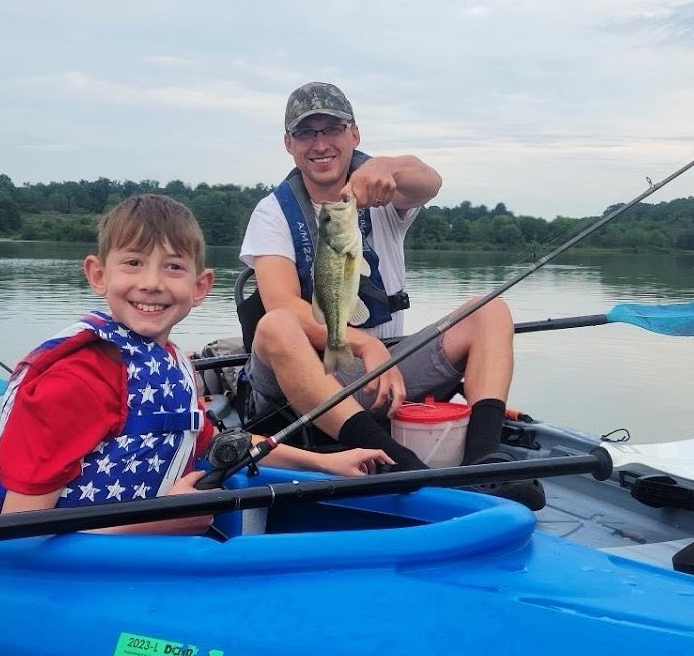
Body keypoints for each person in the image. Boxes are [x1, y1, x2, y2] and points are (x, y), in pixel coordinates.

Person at [0, 194, 393, 535]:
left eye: (173, 267)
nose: (152, 282)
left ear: (200, 286)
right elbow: (20, 532)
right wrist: (155, 522)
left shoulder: (169, 362)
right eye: (133, 263)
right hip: (85, 581)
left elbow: (212, 443)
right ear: (98, 275)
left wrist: (325, 463)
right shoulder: (75, 382)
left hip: (156, 553)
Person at [238, 81, 545, 510]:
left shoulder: (384, 191)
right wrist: (363, 343)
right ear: (289, 143)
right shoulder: (273, 213)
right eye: (307, 133)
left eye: (333, 129)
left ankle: (484, 462)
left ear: (355, 134)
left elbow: (430, 181)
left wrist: (388, 165)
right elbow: (280, 303)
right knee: (275, 326)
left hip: (388, 371)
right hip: (305, 376)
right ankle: (396, 460)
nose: (320, 143)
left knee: (490, 310)